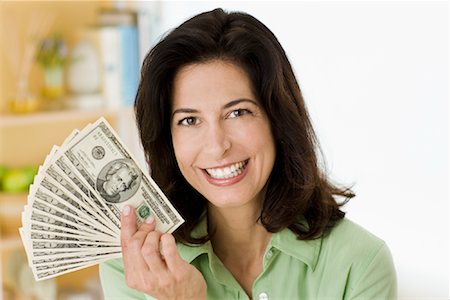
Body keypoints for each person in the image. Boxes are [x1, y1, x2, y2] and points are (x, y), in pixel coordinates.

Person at [100, 8, 397, 299]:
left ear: (278, 120)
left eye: (238, 112)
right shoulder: (131, 269)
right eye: (189, 120)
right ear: (168, 139)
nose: (217, 146)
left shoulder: (359, 265)